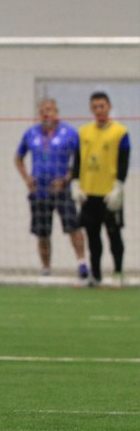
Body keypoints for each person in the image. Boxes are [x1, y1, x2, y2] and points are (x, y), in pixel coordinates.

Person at [14, 98, 88, 279]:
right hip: (39, 190)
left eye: (50, 110)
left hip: (62, 189)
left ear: (57, 112)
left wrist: (66, 179)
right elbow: (18, 157)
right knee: (42, 232)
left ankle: (82, 263)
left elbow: (80, 161)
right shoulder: (31, 133)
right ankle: (46, 269)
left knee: (73, 226)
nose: (46, 113)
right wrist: (27, 178)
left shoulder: (70, 133)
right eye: (43, 111)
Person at [72, 91, 131, 287]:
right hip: (89, 193)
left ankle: (118, 272)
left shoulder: (120, 132)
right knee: (93, 238)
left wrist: (119, 186)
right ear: (91, 109)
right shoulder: (83, 132)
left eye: (102, 106)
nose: (99, 110)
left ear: (109, 107)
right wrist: (75, 182)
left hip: (110, 194)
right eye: (95, 107)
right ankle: (95, 275)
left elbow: (124, 161)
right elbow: (78, 160)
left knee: (114, 235)